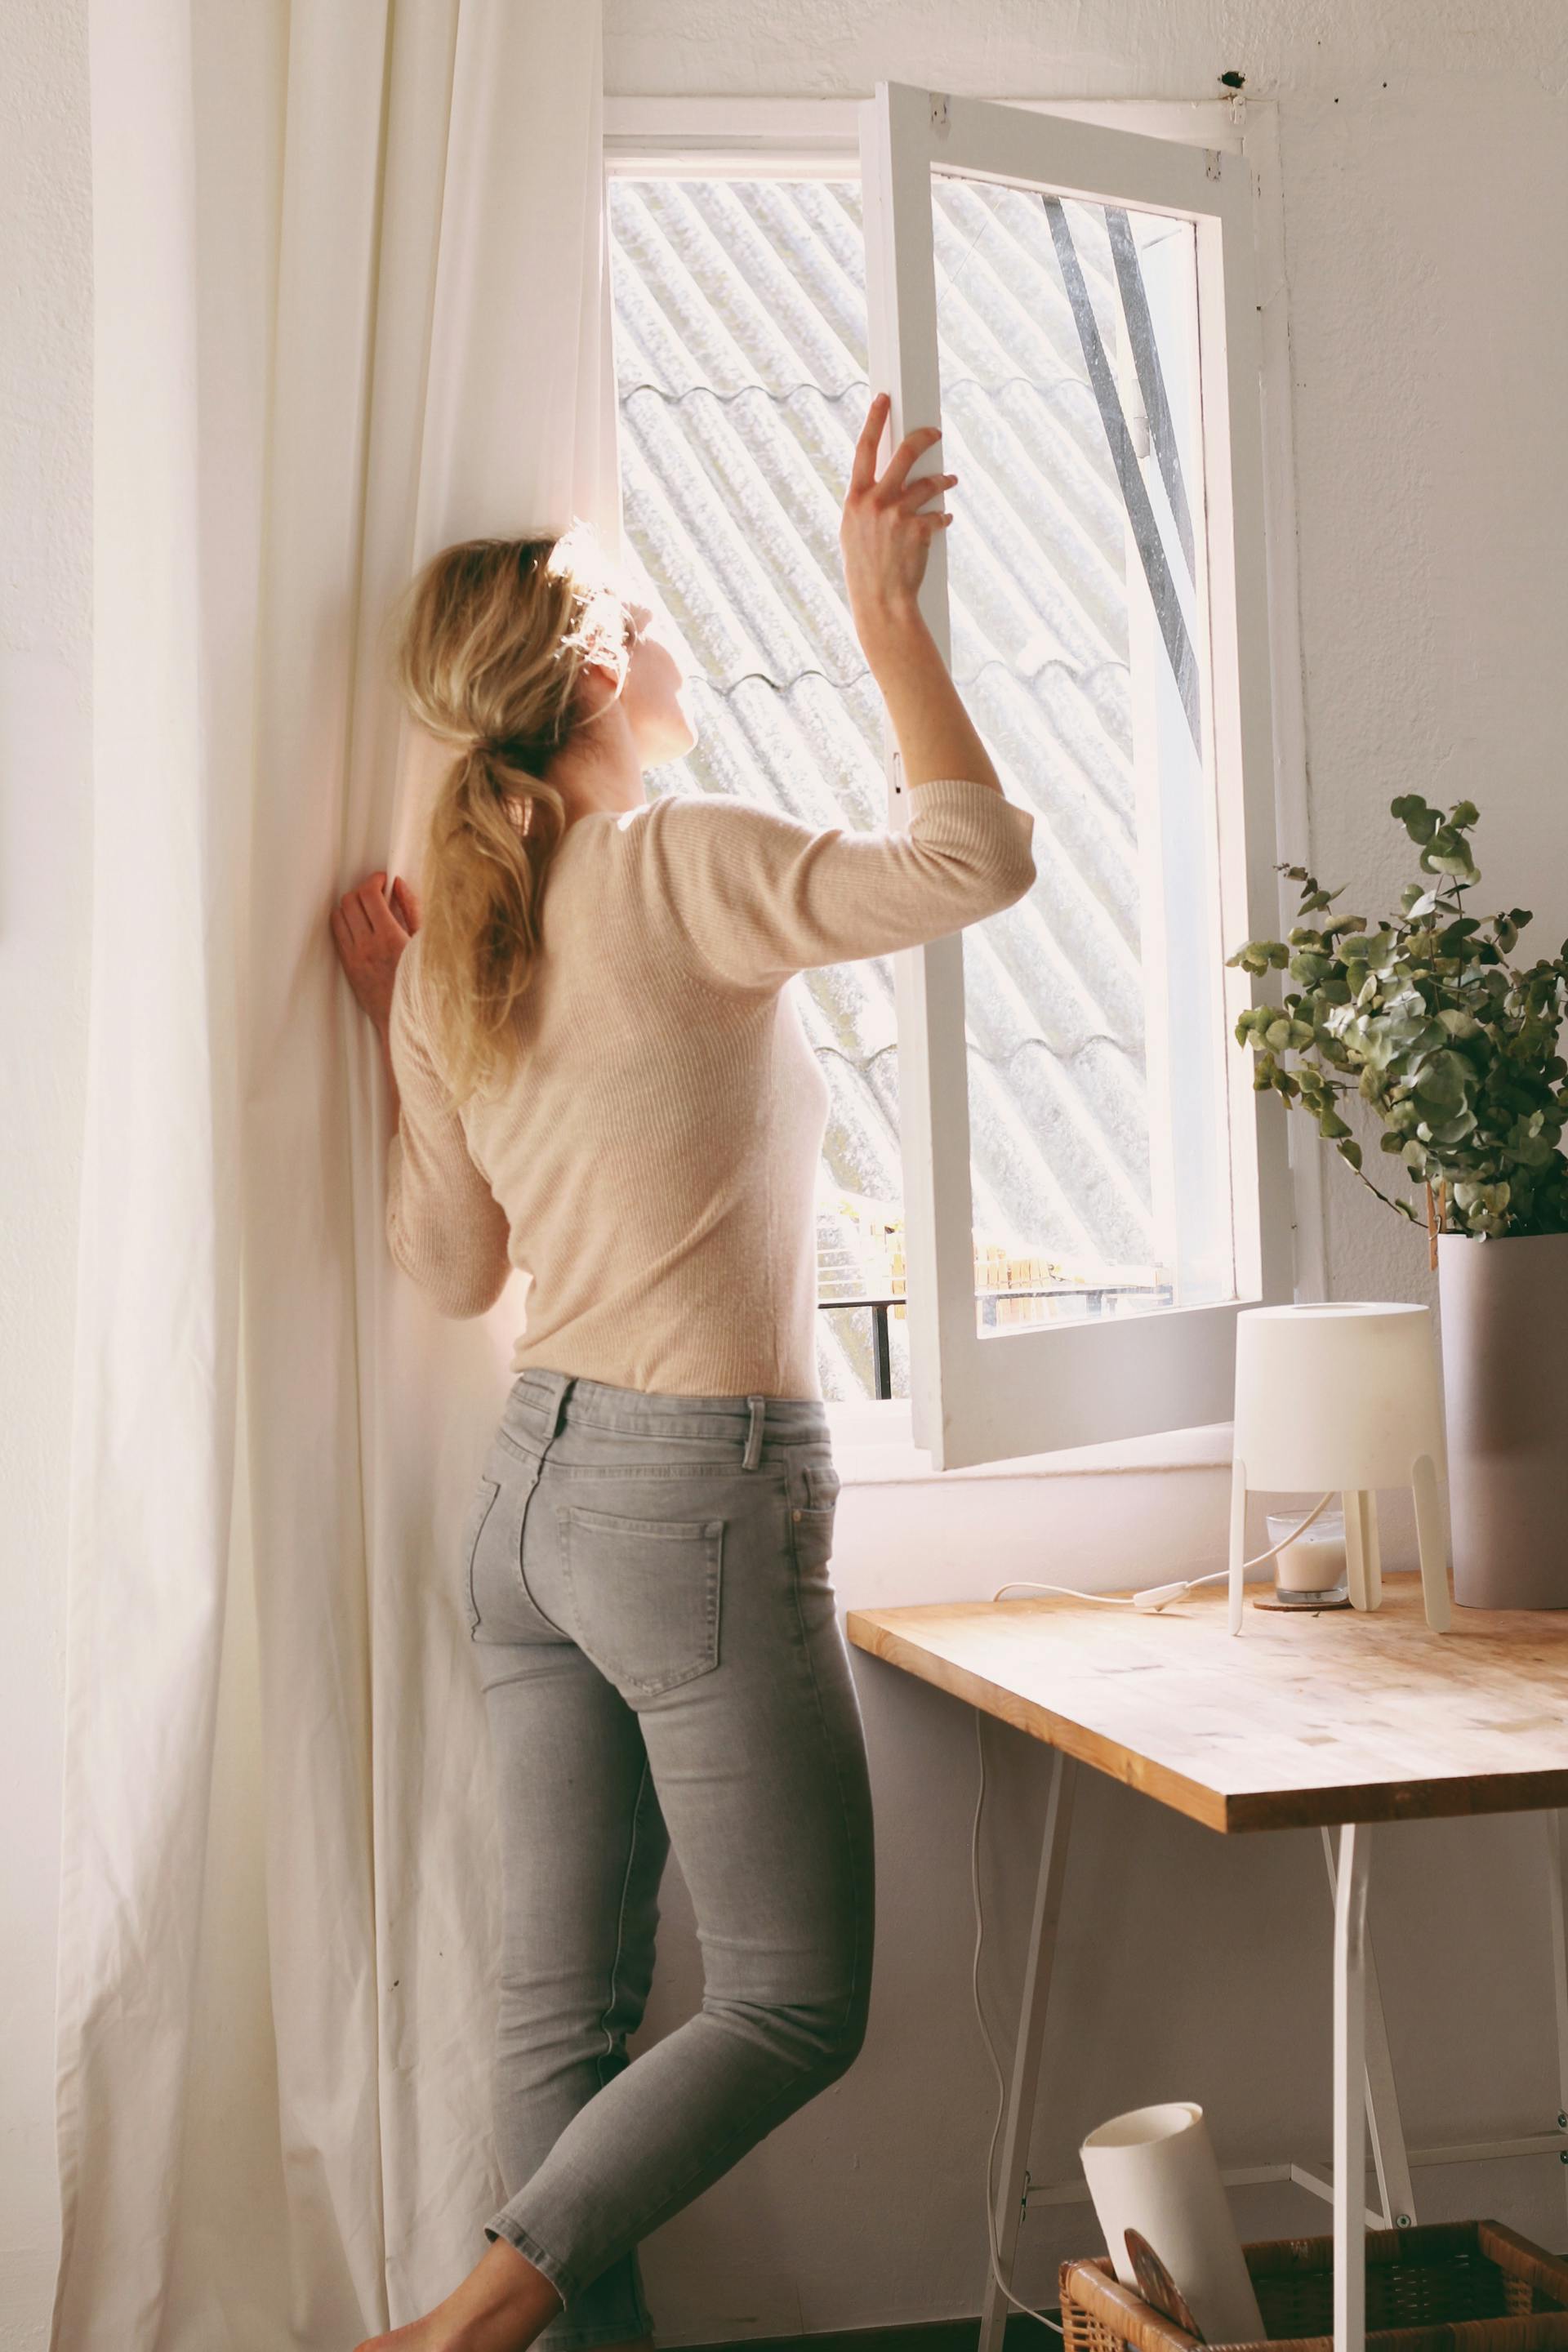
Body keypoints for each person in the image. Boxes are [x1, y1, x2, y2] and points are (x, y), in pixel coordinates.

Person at [329, 391, 1036, 2352]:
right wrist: (890, 620)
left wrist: (399, 1032)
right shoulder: (674, 865)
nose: (683, 632)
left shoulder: (468, 939)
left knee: (557, 2020)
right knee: (794, 1997)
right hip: (690, 1496)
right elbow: (972, 862)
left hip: (531, 1505)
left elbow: (449, 1265)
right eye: (654, 602)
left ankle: (489, 2324)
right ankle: (462, 2329)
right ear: (604, 664)